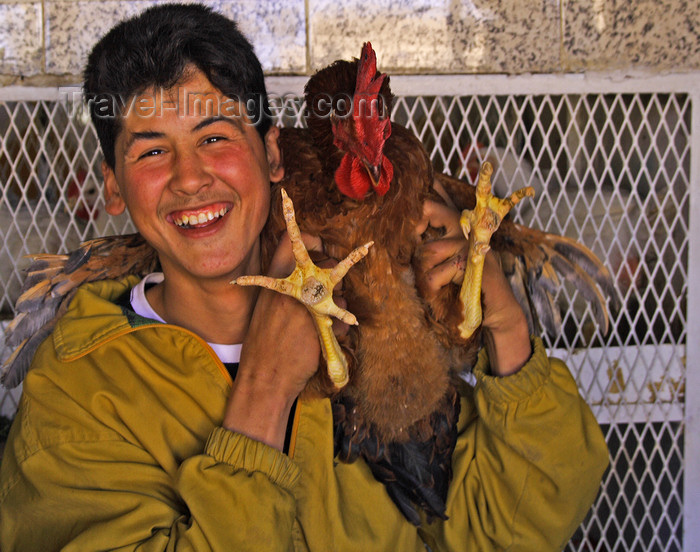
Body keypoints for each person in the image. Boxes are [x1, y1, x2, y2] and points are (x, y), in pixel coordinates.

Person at [0, 4, 608, 550]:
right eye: (152, 150)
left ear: (271, 155)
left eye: (214, 137)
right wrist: (264, 390)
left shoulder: (367, 320)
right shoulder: (78, 391)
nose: (190, 178)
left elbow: (507, 533)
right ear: (112, 185)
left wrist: (504, 327)